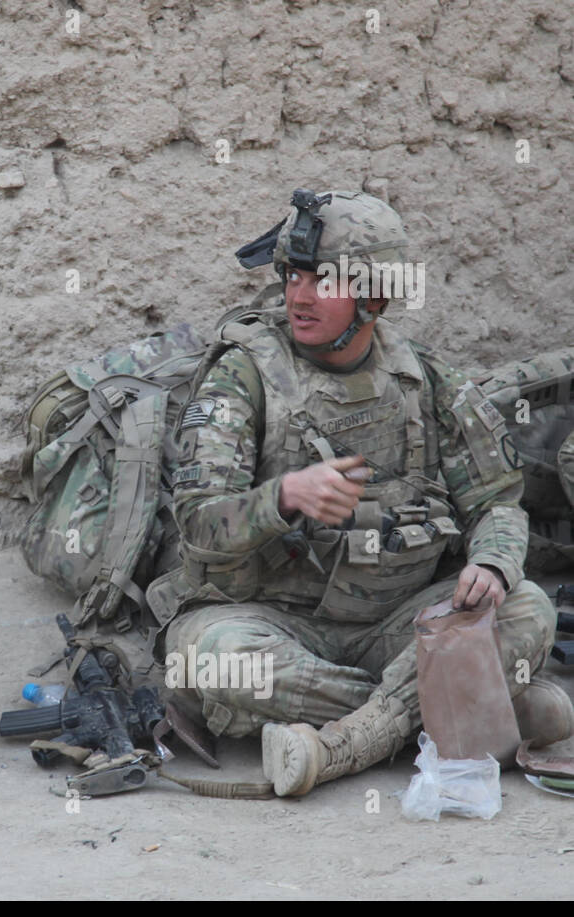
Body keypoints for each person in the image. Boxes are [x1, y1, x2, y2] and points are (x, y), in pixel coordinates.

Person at [154, 188, 572, 796]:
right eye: (292, 276)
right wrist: (284, 496)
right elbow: (197, 521)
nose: (298, 296)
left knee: (526, 605)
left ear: (374, 296)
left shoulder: (423, 378)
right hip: (275, 622)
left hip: (398, 623)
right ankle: (465, 705)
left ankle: (346, 742)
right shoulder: (243, 374)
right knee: (211, 657)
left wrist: (492, 561)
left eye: (323, 280)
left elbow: (496, 501)